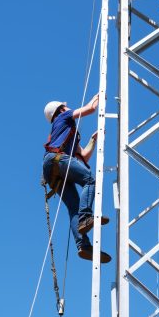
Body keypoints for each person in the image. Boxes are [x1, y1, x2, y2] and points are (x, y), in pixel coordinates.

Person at [43, 96, 111, 264]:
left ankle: (83, 245)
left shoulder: (68, 132)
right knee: (89, 180)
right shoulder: (64, 116)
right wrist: (98, 97)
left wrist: (93, 140)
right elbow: (90, 109)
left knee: (74, 207)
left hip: (52, 168)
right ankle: (86, 217)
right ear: (61, 109)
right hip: (58, 160)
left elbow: (84, 157)